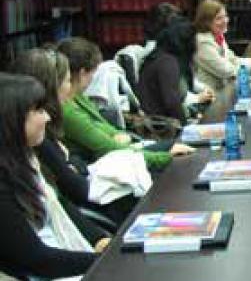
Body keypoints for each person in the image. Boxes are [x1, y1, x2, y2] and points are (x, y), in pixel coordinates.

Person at [0, 73, 109, 281]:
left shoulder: (25, 160)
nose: (48, 117)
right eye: (38, 110)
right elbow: (37, 259)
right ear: (11, 119)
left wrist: (99, 239)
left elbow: (58, 204)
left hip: (68, 268)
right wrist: (105, 261)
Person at [11, 48, 139, 226]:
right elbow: (74, 188)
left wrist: (76, 165)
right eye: (68, 80)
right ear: (52, 87)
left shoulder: (46, 126)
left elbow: (73, 163)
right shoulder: (39, 137)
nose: (70, 87)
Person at [58, 38, 194, 171]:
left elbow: (107, 129)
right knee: (180, 156)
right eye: (93, 72)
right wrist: (165, 157)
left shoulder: (78, 98)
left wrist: (121, 136)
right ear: (82, 73)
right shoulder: (69, 112)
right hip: (108, 164)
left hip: (120, 153)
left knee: (181, 147)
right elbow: (109, 148)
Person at [138, 17, 212, 123]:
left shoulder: (160, 56)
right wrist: (185, 126)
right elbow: (172, 103)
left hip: (162, 120)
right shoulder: (167, 63)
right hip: (163, 126)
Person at [193, 0, 239, 93]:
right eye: (219, 18)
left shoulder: (218, 36)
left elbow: (233, 59)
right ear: (206, 22)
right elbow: (225, 70)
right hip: (210, 96)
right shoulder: (202, 42)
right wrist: (243, 71)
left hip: (224, 91)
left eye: (225, 16)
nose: (225, 21)